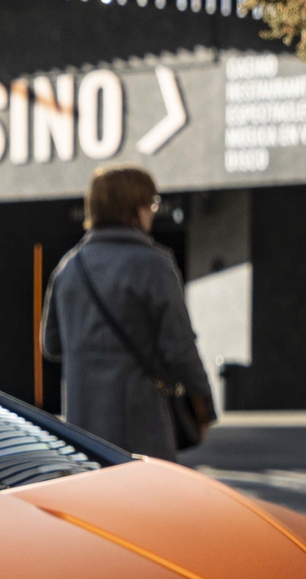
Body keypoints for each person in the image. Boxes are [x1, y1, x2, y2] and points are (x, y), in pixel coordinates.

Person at [40, 164, 215, 459]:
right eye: (151, 203)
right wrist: (204, 406)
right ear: (135, 209)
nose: (152, 212)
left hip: (83, 429)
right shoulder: (154, 264)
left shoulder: (69, 267)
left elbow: (51, 345)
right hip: (141, 424)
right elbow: (179, 346)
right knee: (147, 501)